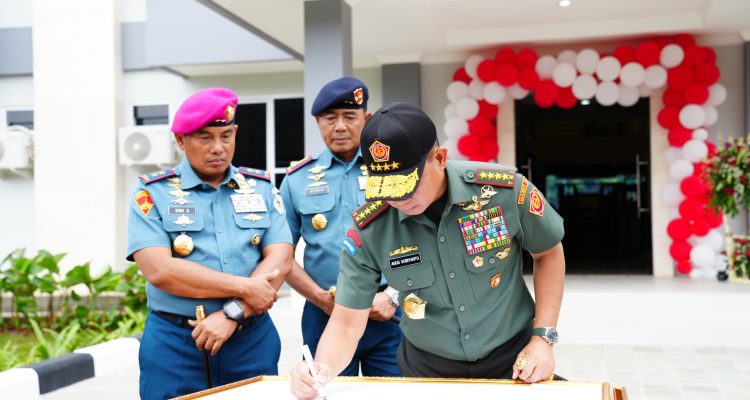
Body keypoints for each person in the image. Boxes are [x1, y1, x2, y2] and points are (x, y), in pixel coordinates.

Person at [290, 102, 566, 399]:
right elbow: (346, 322)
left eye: (408, 186)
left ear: (440, 158)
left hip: (514, 359)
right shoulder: (370, 228)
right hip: (427, 370)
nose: (399, 200)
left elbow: (548, 253)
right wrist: (320, 368)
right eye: (387, 189)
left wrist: (543, 338)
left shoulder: (503, 193)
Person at [127, 87, 293, 400]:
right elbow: (160, 270)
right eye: (205, 138)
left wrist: (234, 313)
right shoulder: (152, 194)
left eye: (226, 136)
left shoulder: (261, 189)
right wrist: (245, 288)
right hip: (176, 343)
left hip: (249, 339)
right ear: (180, 140)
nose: (218, 147)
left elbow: (281, 259)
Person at [280, 77, 403, 377]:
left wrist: (393, 295)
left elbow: (421, 237)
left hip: (387, 312)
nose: (339, 127)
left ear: (367, 119)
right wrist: (318, 297)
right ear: (317, 122)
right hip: (324, 313)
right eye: (329, 118)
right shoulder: (296, 180)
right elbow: (281, 256)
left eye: (349, 117)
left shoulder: (394, 170)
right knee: (327, 390)